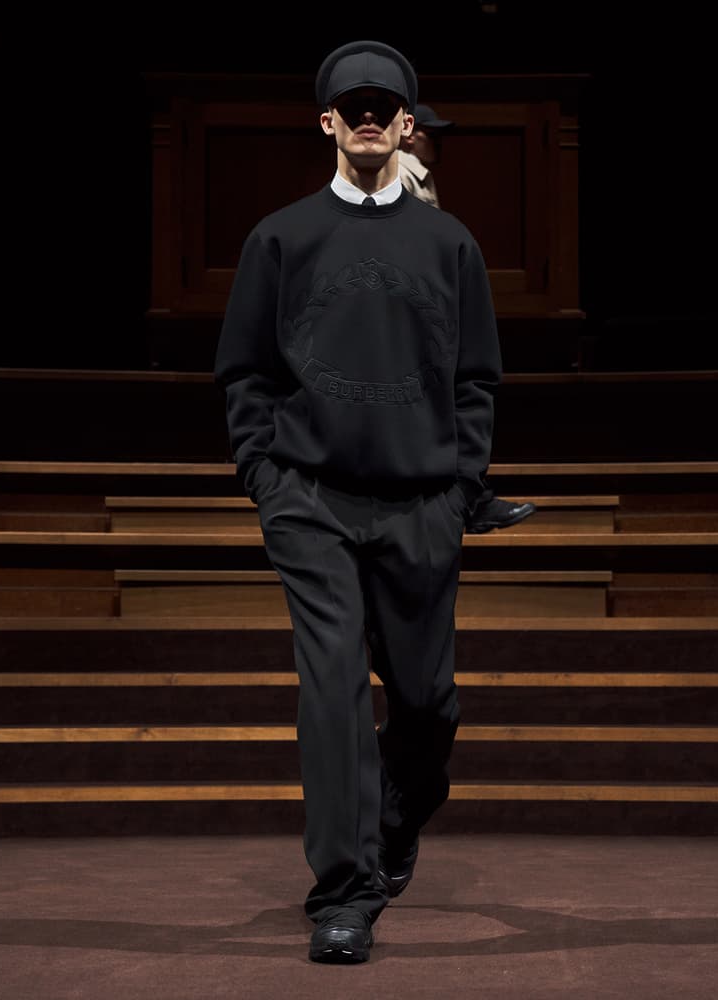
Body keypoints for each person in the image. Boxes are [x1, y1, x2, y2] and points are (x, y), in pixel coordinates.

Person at [214, 40, 502, 964]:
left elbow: (477, 379)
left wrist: (459, 486)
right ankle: (344, 894)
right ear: (329, 122)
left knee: (427, 703)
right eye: (354, 106)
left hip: (421, 502)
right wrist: (266, 478)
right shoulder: (281, 237)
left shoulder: (450, 245)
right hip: (312, 499)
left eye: (384, 106)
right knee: (332, 688)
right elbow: (245, 372)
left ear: (406, 123)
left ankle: (400, 810)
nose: (369, 118)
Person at [399, 105, 536, 531]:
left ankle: (466, 500)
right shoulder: (400, 175)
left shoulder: (418, 175)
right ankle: (464, 503)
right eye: (431, 134)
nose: (438, 142)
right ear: (409, 134)